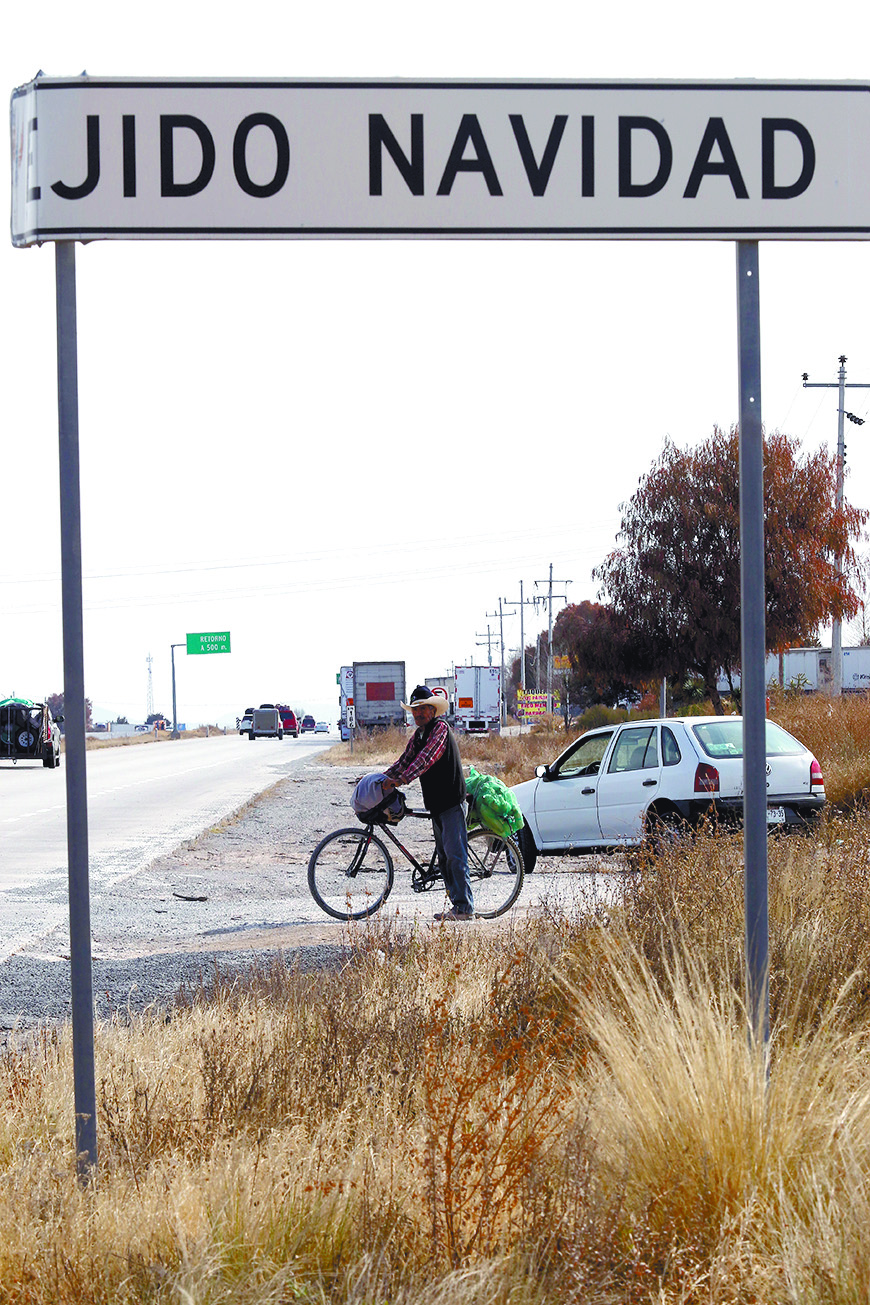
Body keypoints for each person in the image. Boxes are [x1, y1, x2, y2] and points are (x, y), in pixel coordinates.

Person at [381, 684, 474, 921]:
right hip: (436, 803)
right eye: (415, 710)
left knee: (455, 855)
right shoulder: (419, 735)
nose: (418, 714)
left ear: (432, 710)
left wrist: (401, 780)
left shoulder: (440, 729)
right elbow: (405, 760)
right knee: (444, 859)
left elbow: (425, 759)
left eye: (422, 709)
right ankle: (457, 906)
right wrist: (382, 779)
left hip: (452, 800)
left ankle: (465, 909)